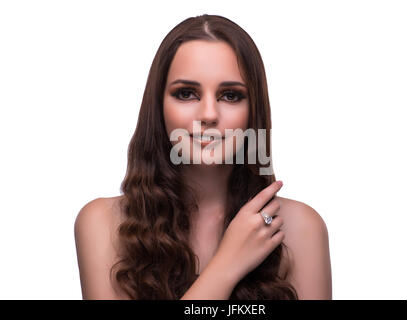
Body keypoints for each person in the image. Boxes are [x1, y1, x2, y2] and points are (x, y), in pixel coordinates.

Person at [74, 14, 332, 300]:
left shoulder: (301, 228)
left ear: (253, 110)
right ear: (158, 107)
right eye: (186, 94)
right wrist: (227, 265)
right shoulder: (103, 225)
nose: (209, 114)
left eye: (230, 96)